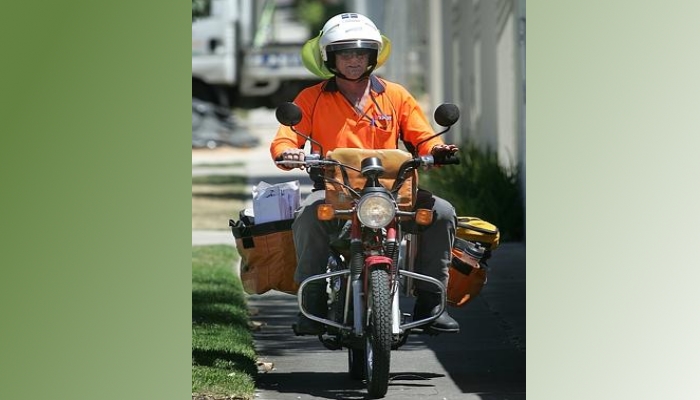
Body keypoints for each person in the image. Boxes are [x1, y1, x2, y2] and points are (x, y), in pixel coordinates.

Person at [269, 13, 460, 335]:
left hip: (393, 192)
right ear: (330, 58)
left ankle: (432, 302)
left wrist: (437, 152)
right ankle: (311, 304)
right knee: (307, 216)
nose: (354, 61)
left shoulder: (396, 95)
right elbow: (286, 137)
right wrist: (288, 152)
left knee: (442, 212)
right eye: (345, 54)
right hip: (336, 190)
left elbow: (423, 138)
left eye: (360, 53)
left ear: (372, 57)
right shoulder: (311, 98)